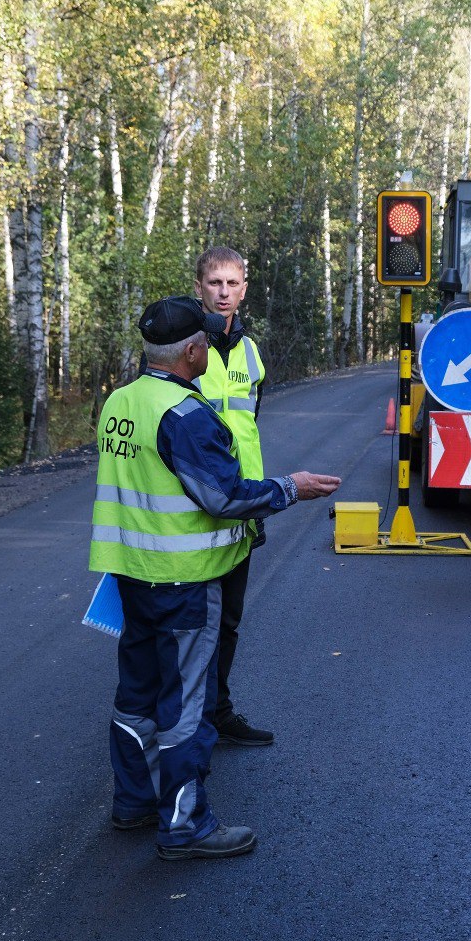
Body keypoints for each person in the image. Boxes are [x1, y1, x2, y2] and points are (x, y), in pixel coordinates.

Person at [90, 296, 340, 861]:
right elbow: (222, 496)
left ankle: (133, 801)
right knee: (184, 705)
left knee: (136, 695)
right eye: (204, 344)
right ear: (193, 351)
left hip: (131, 574)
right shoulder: (186, 414)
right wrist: (290, 488)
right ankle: (185, 825)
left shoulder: (120, 403)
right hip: (182, 579)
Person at [192, 247, 273, 747]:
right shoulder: (181, 344)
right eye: (214, 283)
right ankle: (189, 721)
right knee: (191, 623)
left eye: (232, 283)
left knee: (229, 620)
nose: (223, 293)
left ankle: (217, 711)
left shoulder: (249, 351)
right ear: (199, 287)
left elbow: (249, 425)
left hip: (243, 505)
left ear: (244, 289)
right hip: (196, 507)